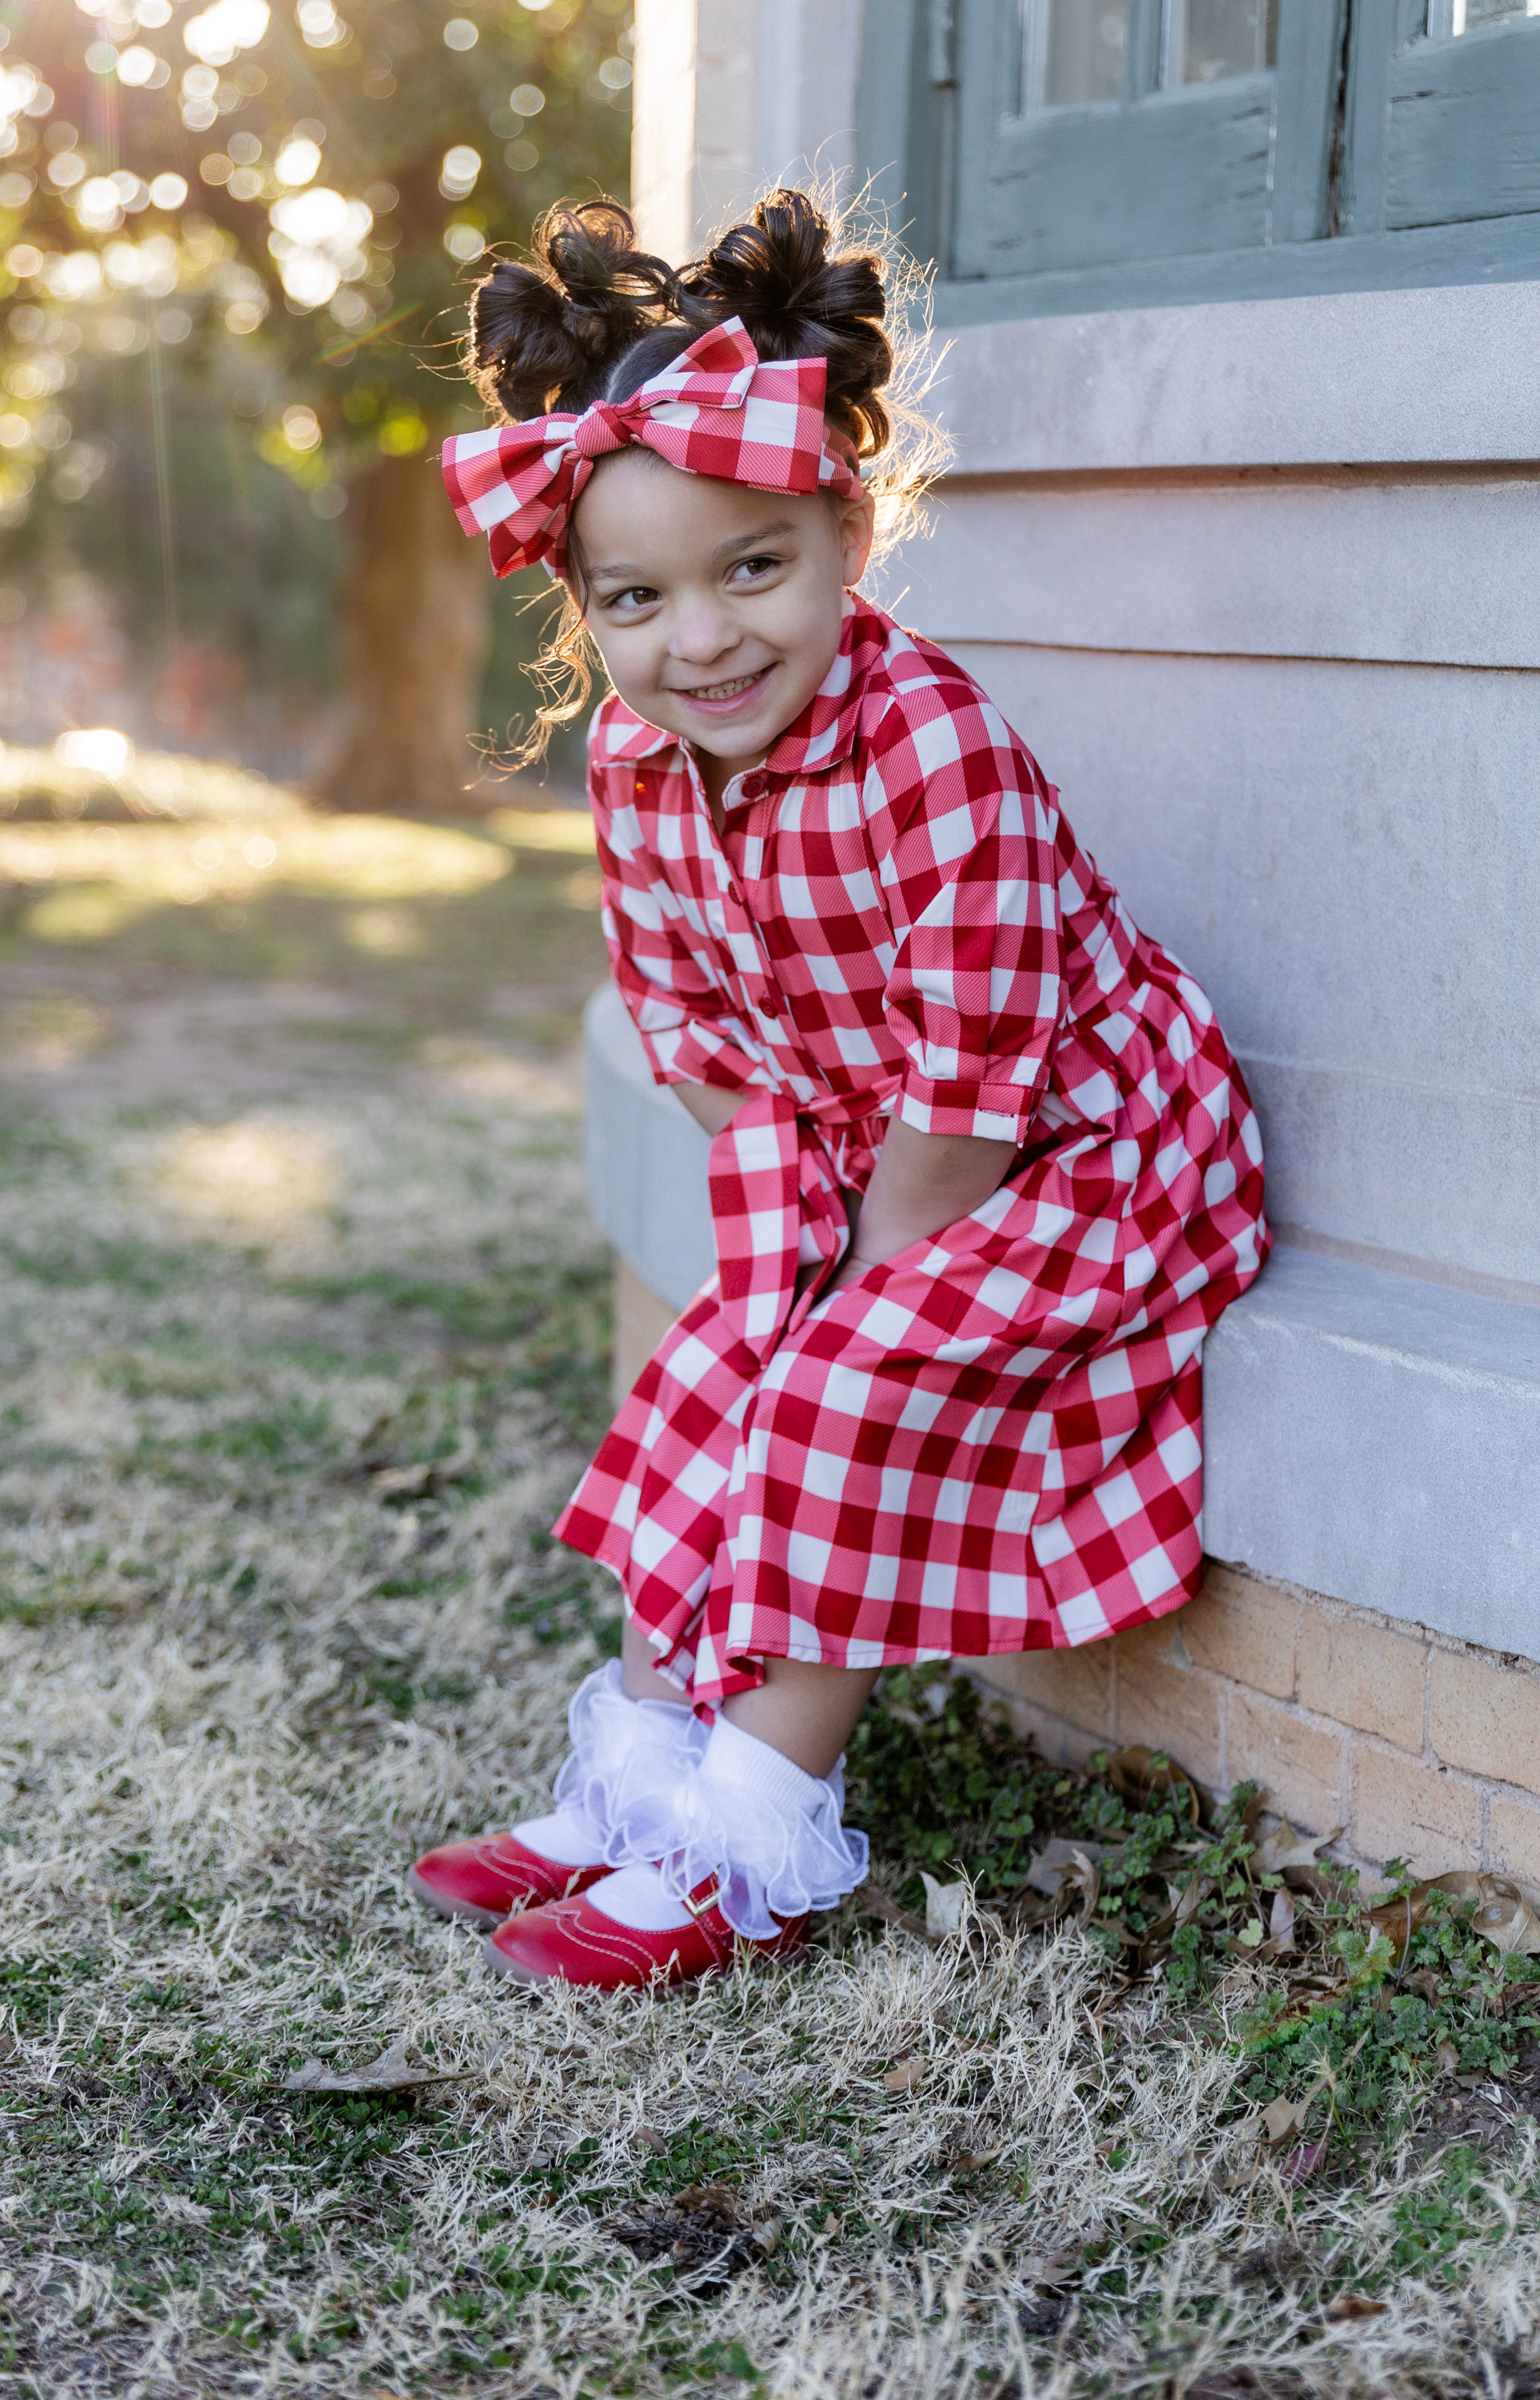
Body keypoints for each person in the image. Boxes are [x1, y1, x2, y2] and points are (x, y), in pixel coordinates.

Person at [411, 191, 1267, 1992]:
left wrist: (853, 1288)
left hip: (1078, 1148)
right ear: (582, 609)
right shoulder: (641, 763)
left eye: (752, 569)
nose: (701, 641)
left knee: (832, 1398)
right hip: (851, 1149)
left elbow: (966, 1098)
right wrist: (778, 1251)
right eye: (635, 599)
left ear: (846, 528)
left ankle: (743, 1842)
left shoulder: (928, 745)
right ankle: (639, 1786)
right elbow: (706, 1044)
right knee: (709, 1382)